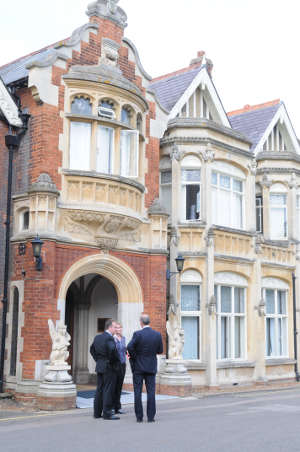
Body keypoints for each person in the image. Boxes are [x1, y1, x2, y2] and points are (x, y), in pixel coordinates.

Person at [127, 314, 163, 423]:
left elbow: (129, 346)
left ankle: (139, 417)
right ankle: (151, 417)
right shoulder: (157, 334)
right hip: (151, 366)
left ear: (141, 322)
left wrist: (135, 357)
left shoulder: (138, 334)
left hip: (138, 366)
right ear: (149, 321)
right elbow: (160, 350)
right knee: (151, 391)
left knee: (137, 391)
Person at [90, 318, 122, 420]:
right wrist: (111, 362)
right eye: (114, 327)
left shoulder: (97, 337)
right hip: (108, 366)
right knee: (108, 389)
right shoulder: (109, 338)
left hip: (100, 365)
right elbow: (112, 350)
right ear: (109, 327)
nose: (116, 330)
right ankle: (107, 413)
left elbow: (92, 349)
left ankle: (97, 413)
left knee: (100, 389)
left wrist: (99, 360)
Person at [113, 322, 127, 415]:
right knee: (113, 386)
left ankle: (118, 407)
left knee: (119, 386)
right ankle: (112, 407)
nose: (120, 329)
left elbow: (125, 350)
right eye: (118, 327)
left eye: (120, 328)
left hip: (123, 364)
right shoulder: (112, 338)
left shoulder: (123, 338)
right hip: (115, 364)